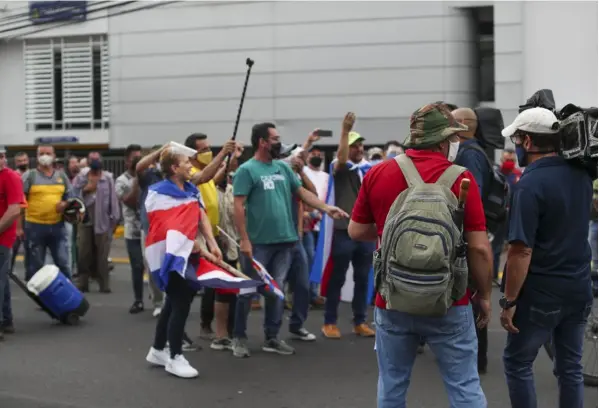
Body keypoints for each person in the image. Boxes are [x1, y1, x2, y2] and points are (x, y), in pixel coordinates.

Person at [349, 103, 491, 407]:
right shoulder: (461, 178)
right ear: (442, 141)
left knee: (392, 385)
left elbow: (356, 231)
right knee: (464, 386)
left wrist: (389, 230)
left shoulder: (378, 172)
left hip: (392, 298)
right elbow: (479, 247)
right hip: (449, 300)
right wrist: (485, 295)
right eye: (452, 139)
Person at [500, 107, 594, 408]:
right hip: (578, 287)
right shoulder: (581, 175)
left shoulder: (528, 185)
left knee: (518, 362)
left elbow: (520, 250)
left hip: (541, 292)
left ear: (527, 142)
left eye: (516, 138)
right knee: (570, 369)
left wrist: (509, 301)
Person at [231, 122, 347, 358]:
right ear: (262, 142)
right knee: (247, 291)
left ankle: (272, 337)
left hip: (286, 241)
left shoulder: (282, 169)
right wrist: (244, 240)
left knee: (277, 291)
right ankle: (239, 338)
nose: (278, 142)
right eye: (274, 138)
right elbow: (238, 206)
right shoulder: (247, 170)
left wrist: (325, 208)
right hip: (258, 243)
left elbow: (302, 192)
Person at [145, 148, 220, 379]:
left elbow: (200, 215)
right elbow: (163, 227)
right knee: (180, 304)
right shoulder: (157, 193)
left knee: (174, 302)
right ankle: (175, 356)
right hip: (171, 255)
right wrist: (190, 244)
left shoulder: (190, 189)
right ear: (174, 168)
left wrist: (211, 242)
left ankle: (158, 349)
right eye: (187, 162)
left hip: (190, 251)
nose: (191, 166)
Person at [315, 113, 376, 340]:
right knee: (337, 277)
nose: (359, 149)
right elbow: (340, 159)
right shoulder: (339, 167)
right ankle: (329, 321)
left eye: (360, 145)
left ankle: (359, 321)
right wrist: (344, 131)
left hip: (366, 232)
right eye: (354, 145)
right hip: (343, 230)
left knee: (363, 277)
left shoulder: (369, 169)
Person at [184, 133, 237, 340]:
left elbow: (212, 179)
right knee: (205, 285)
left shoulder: (206, 174)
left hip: (216, 234)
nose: (208, 152)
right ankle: (201, 327)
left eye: (209, 148)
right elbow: (205, 176)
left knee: (217, 284)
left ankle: (215, 328)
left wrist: (227, 162)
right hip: (199, 240)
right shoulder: (192, 173)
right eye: (203, 149)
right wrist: (223, 153)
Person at [452, 107, 493, 374]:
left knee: (475, 294)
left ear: (465, 125)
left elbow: (469, 200)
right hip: (474, 233)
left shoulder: (470, 155)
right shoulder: (474, 152)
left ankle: (476, 359)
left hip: (471, 234)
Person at [21, 145, 73, 281]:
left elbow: (71, 198)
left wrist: (65, 204)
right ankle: (37, 295)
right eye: (41, 153)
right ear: (37, 157)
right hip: (34, 227)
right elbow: (20, 202)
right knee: (35, 266)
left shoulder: (62, 176)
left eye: (48, 153)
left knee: (63, 263)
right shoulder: (29, 176)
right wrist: (19, 227)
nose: (45, 156)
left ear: (54, 156)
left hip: (58, 226)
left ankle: (68, 293)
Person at [73, 152, 120, 293]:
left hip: (103, 221)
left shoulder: (107, 178)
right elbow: (73, 196)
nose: (95, 162)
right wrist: (85, 190)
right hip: (85, 220)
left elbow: (113, 199)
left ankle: (104, 284)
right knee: (83, 253)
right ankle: (83, 282)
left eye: (97, 159)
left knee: (102, 254)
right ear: (88, 161)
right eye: (92, 160)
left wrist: (115, 219)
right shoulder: (81, 177)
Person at [136, 146, 167, 318]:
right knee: (152, 266)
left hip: (169, 229)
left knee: (169, 266)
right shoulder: (149, 176)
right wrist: (158, 153)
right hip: (150, 230)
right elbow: (139, 168)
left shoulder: (173, 176)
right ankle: (158, 301)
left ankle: (169, 300)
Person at [115, 145, 145, 313]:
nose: (138, 161)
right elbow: (130, 202)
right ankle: (138, 299)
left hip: (148, 229)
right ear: (127, 161)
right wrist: (137, 181)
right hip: (132, 230)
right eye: (135, 158)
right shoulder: (121, 181)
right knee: (137, 265)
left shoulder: (148, 176)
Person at [0, 146, 24, 340]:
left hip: (3, 237)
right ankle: (6, 320)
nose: (2, 160)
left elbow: (15, 210)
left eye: (2, 156)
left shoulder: (11, 177)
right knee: (2, 279)